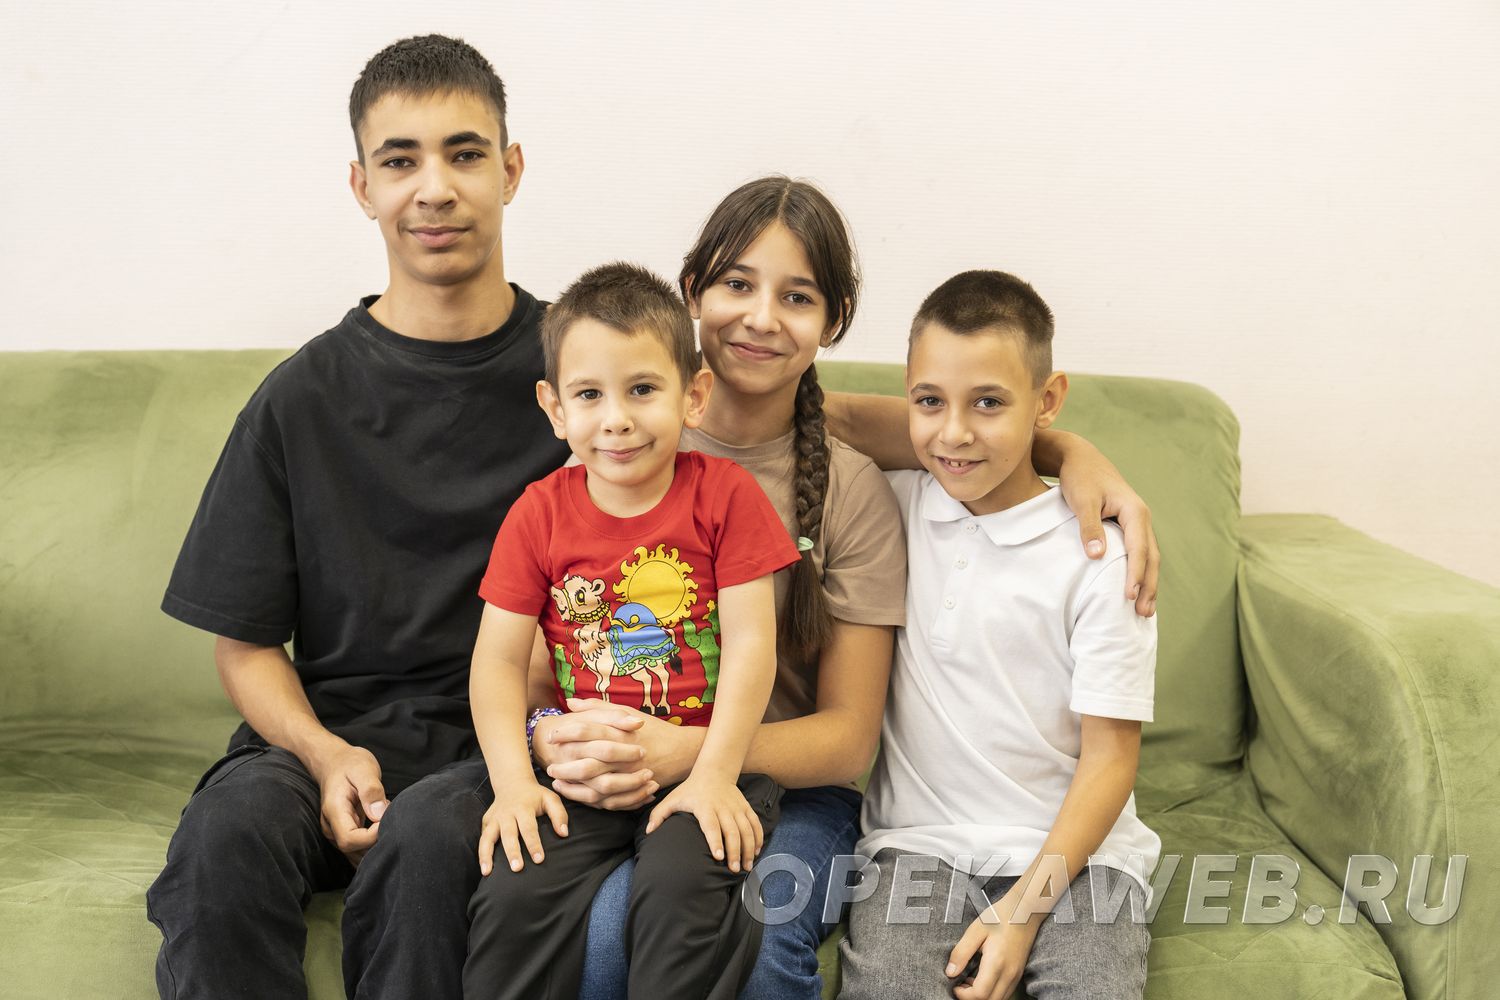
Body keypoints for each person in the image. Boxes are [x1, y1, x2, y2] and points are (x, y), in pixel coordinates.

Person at [147, 31, 1159, 1000]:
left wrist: (1063, 450)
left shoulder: (703, 411)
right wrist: (481, 742)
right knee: (280, 857)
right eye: (400, 160)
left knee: (633, 907)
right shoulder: (565, 408)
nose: (436, 187)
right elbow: (493, 648)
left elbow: (901, 431)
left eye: (464, 154)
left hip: (656, 764)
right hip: (531, 747)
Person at [462, 261, 799, 999]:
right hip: (582, 778)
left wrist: (714, 774)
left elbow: (753, 646)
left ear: (693, 395)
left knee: (683, 890)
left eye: (642, 389)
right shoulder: (537, 513)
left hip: (700, 770)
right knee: (514, 892)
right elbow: (496, 664)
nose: (616, 418)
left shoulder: (726, 496)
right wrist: (514, 785)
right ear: (555, 408)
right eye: (590, 395)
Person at [838, 270, 1159, 1000]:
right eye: (929, 401)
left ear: (1047, 399)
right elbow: (795, 412)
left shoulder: (1104, 556)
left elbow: (1111, 758)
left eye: (988, 402)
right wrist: (1068, 448)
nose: (954, 433)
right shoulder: (887, 504)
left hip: (1081, 859)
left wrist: (1023, 910)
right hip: (917, 848)